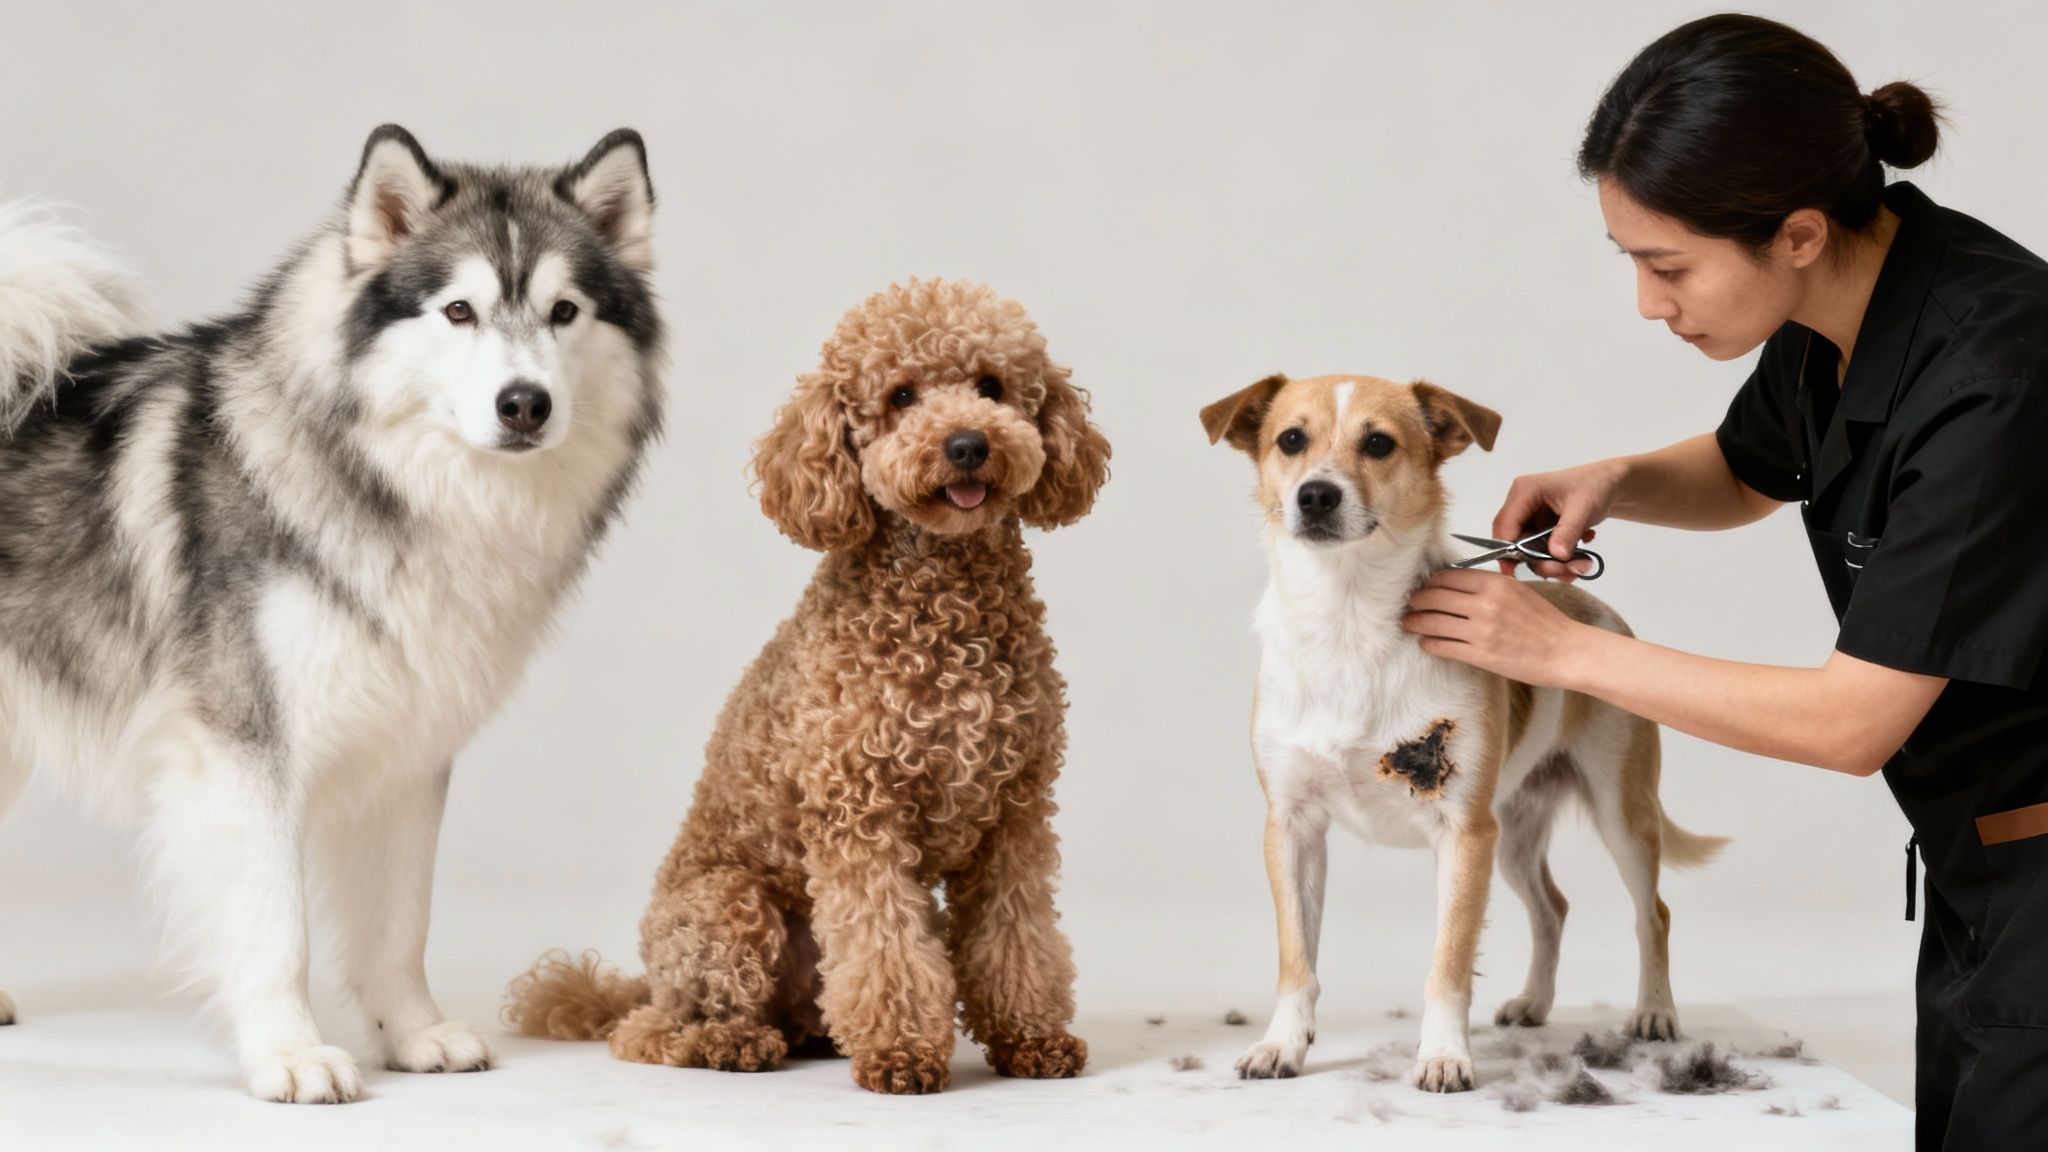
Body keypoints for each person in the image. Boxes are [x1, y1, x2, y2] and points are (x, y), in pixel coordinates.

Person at [1399, 15, 2048, 1150]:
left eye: (1667, 267)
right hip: (1978, 863)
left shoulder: (1997, 374)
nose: (1650, 305)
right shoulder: (1838, 300)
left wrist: (1556, 651)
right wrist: (1615, 478)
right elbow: (1749, 471)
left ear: (1795, 232)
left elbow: (1849, 723)